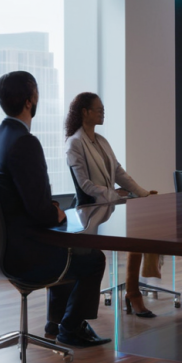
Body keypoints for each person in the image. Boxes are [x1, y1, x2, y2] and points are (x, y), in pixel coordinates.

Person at [0, 71, 110, 348]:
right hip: (24, 254)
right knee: (93, 258)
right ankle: (70, 328)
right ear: (30, 101)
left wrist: (49, 210)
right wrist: (57, 212)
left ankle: (55, 322)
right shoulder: (25, 142)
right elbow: (40, 211)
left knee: (69, 248)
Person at [65, 92, 160, 318]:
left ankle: (133, 290)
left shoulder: (102, 141)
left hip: (110, 206)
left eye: (102, 108)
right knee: (135, 235)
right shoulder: (75, 143)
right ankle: (133, 292)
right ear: (84, 112)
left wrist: (143, 193)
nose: (102, 112)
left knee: (142, 230)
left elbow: (119, 173)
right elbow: (85, 186)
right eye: (98, 109)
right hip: (90, 212)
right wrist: (112, 195)